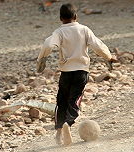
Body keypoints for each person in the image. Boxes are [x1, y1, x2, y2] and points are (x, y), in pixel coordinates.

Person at [36, 3, 117, 146]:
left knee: (61, 101)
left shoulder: (59, 32)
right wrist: (108, 57)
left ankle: (59, 133)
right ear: (76, 16)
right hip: (81, 72)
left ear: (60, 18)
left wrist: (42, 59)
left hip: (66, 73)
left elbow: (48, 44)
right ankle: (68, 122)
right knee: (74, 101)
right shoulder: (84, 30)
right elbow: (97, 45)